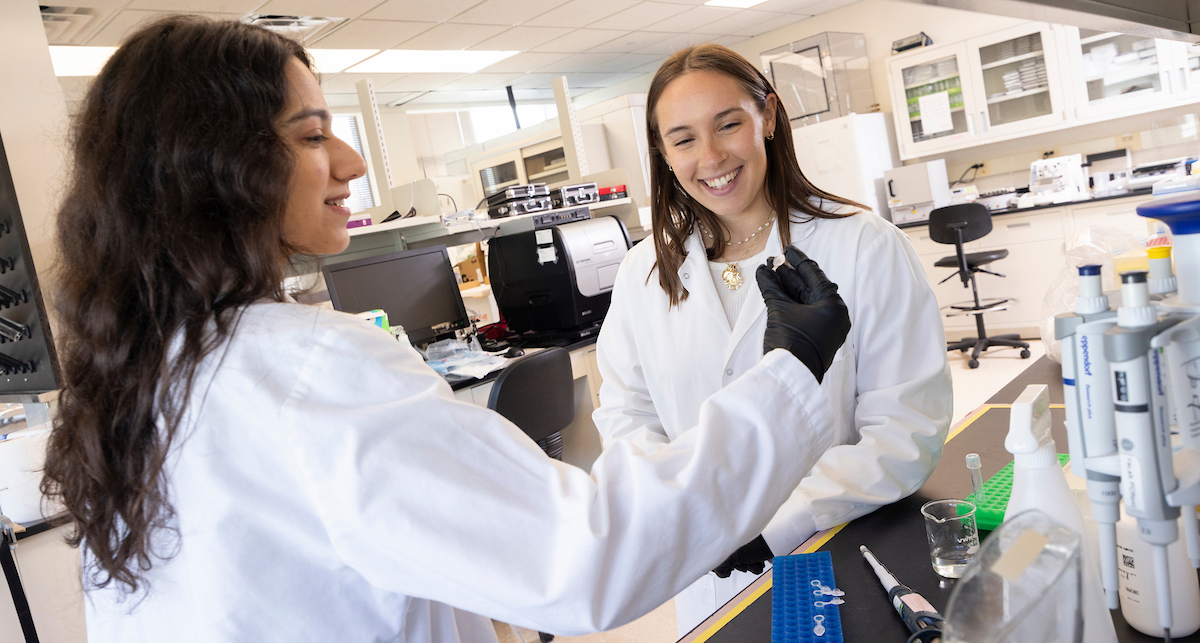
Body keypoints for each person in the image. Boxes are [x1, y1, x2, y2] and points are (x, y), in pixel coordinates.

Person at [38, 17, 854, 643]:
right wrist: (786, 372)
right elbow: (584, 552)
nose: (353, 162)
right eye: (314, 134)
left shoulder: (142, 378)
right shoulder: (308, 369)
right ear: (214, 167)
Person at [592, 44, 953, 635]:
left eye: (728, 124)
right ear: (662, 152)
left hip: (835, 544)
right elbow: (625, 412)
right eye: (682, 139)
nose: (710, 157)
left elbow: (905, 431)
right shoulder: (643, 273)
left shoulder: (866, 246)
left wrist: (772, 521)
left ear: (769, 115)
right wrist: (686, 513)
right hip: (702, 568)